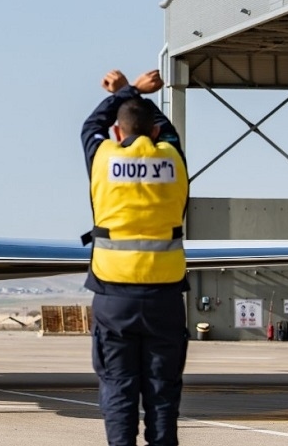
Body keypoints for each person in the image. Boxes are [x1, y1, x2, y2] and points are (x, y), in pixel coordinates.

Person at [80, 69, 190, 446]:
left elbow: (91, 124)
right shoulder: (173, 159)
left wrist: (128, 91)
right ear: (156, 134)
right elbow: (162, 127)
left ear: (117, 133)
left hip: (114, 298)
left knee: (118, 388)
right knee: (162, 393)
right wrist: (138, 96)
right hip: (165, 298)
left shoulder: (103, 157)